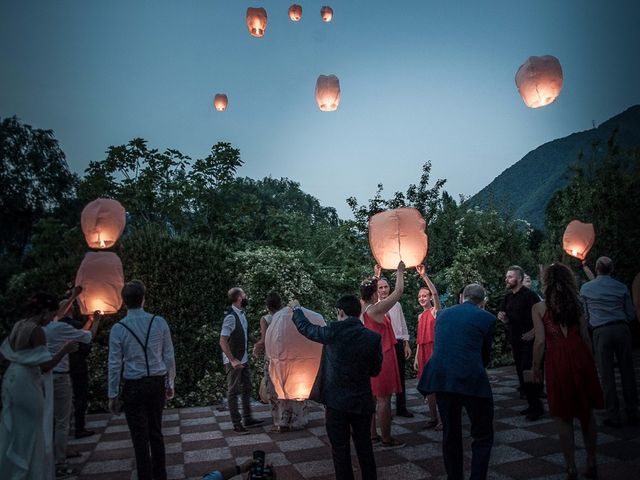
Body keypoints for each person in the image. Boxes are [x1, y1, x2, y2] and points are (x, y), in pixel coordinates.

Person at [289, 294, 382, 480]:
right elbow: (375, 371)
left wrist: (297, 310)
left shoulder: (332, 331)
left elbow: (307, 329)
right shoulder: (373, 338)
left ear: (340, 312)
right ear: (359, 312)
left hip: (336, 403)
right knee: (365, 449)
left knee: (340, 451)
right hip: (362, 402)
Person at [531, 263, 603, 480]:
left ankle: (570, 467)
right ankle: (591, 460)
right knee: (587, 413)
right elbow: (585, 336)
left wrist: (536, 368)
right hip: (580, 356)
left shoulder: (539, 308)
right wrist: (592, 363)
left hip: (557, 360)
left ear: (546, 283)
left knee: (563, 416)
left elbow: (540, 341)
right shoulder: (577, 304)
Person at [418, 283, 496, 480]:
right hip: (471, 378)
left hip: (442, 378)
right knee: (483, 435)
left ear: (462, 298)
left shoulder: (443, 314)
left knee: (451, 434)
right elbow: (485, 356)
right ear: (483, 302)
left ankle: (454, 477)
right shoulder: (487, 318)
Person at [0, 293, 78, 480]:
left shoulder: (19, 326)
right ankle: (32, 473)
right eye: (51, 315)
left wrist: (74, 295)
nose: (52, 319)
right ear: (44, 312)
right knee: (35, 429)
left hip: (12, 378)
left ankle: (16, 471)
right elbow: (45, 366)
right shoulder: (37, 331)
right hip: (27, 383)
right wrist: (65, 350)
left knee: (19, 430)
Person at [108, 280, 176, 480]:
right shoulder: (159, 322)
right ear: (143, 299)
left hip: (134, 386)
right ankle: (160, 474)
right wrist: (169, 383)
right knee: (156, 432)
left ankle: (145, 476)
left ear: (124, 301)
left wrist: (112, 394)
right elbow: (169, 356)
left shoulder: (118, 329)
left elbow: (114, 364)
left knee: (139, 437)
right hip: (156, 382)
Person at [45, 288, 99, 477]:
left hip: (44, 378)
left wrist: (74, 296)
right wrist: (96, 320)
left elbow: (65, 318)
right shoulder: (59, 327)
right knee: (61, 421)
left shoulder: (49, 326)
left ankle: (60, 451)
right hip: (59, 376)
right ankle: (59, 462)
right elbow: (87, 336)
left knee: (52, 419)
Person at [580, 257, 638, 427]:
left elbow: (585, 315)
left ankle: (613, 414)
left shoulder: (586, 288)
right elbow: (630, 314)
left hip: (601, 331)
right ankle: (632, 411)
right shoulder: (621, 287)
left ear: (597, 269)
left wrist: (593, 325)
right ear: (611, 269)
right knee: (628, 371)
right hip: (622, 329)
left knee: (606, 374)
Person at [360, 261, 405, 448]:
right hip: (383, 356)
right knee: (384, 398)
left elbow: (369, 293)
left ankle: (372, 435)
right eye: (377, 289)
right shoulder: (376, 309)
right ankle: (387, 438)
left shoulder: (363, 307)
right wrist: (400, 272)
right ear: (373, 293)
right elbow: (398, 293)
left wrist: (375, 275)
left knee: (371, 397)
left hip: (370, 356)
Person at [254, 291, 307, 432]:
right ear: (281, 302)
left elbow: (265, 340)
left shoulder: (266, 319)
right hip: (290, 357)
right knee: (292, 388)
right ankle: (298, 419)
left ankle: (280, 421)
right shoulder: (288, 316)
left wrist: (256, 348)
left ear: (268, 306)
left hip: (273, 359)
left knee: (276, 390)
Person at [498, 265, 544, 420]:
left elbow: (541, 316)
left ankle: (537, 407)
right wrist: (503, 318)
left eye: (510, 276)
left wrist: (533, 332)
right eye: (507, 276)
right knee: (520, 372)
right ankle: (532, 404)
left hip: (529, 340)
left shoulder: (530, 296)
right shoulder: (507, 297)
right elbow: (505, 318)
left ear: (518, 278)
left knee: (528, 371)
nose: (507, 279)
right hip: (515, 340)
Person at [219, 287, 264, 434]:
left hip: (243, 359)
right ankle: (236, 423)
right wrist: (232, 360)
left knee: (247, 387)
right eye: (244, 294)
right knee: (233, 391)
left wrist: (258, 343)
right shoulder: (231, 317)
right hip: (234, 361)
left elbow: (245, 334)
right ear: (239, 298)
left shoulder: (242, 315)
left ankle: (247, 418)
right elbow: (223, 341)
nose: (246, 297)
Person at [374, 265, 413, 418]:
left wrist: (406, 343)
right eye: (381, 287)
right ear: (377, 290)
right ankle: (384, 409)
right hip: (381, 344)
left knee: (400, 376)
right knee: (383, 376)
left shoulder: (396, 304)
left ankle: (401, 407)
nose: (384, 290)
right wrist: (376, 275)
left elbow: (402, 324)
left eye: (386, 287)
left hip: (397, 342)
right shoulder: (375, 305)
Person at [413, 264, 442, 429]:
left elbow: (436, 293)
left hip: (434, 350)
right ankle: (433, 417)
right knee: (428, 386)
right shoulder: (419, 316)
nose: (422, 298)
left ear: (429, 298)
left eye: (425, 296)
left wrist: (424, 276)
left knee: (437, 385)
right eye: (420, 297)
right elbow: (419, 340)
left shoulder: (434, 312)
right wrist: (417, 356)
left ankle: (443, 419)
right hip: (423, 352)